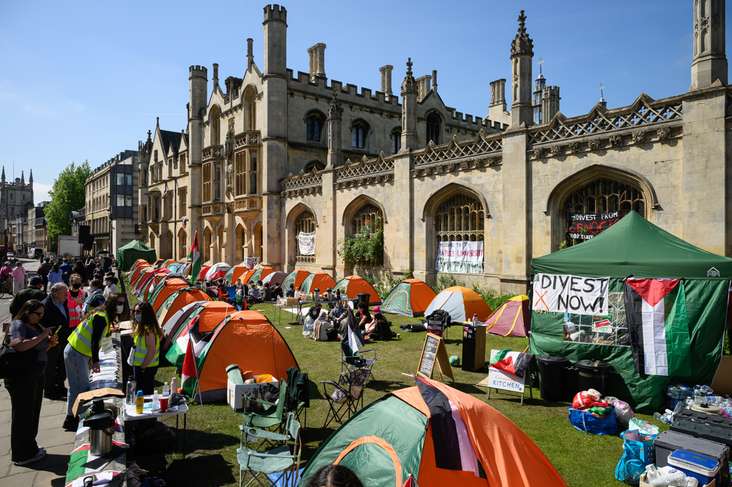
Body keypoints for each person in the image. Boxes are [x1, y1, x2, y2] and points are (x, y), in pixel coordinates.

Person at [5, 299, 58, 466]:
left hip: (35, 375)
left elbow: (37, 348)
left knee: (32, 414)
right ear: (27, 312)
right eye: (38, 314)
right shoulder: (18, 324)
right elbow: (18, 346)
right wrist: (42, 336)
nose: (41, 317)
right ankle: (21, 455)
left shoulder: (36, 326)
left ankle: (30, 447)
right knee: (22, 416)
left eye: (42, 314)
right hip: (22, 377)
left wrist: (49, 344)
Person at [63, 294, 119, 431]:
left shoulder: (102, 314)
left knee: (76, 386)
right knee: (81, 388)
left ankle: (71, 417)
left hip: (76, 351)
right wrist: (95, 361)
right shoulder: (101, 317)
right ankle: (74, 419)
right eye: (119, 304)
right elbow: (94, 341)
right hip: (77, 352)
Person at [41, 283, 70, 399]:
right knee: (51, 367)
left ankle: (60, 387)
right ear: (55, 293)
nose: (66, 295)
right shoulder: (45, 305)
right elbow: (40, 324)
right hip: (51, 341)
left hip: (63, 339)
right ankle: (49, 391)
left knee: (62, 366)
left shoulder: (63, 302)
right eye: (64, 292)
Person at [128, 302, 162, 395]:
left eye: (138, 312)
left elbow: (152, 350)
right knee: (140, 393)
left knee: (145, 394)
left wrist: (143, 367)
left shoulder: (148, 330)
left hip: (146, 367)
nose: (135, 314)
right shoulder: (141, 326)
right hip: (140, 365)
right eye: (134, 311)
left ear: (145, 313)